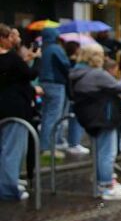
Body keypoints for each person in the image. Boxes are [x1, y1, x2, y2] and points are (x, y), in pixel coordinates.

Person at [69, 44, 121, 201]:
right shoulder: (96, 74)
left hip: (90, 117)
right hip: (103, 117)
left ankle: (104, 182)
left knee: (100, 151)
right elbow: (120, 87)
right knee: (107, 153)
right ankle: (106, 185)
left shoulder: (78, 72)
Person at [0, 25, 39, 201]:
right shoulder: (12, 59)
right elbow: (29, 74)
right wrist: (35, 59)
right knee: (13, 148)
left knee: (6, 147)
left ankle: (8, 180)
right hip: (15, 107)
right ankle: (8, 187)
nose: (11, 40)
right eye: (9, 37)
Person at [37, 26, 71, 162]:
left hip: (44, 83)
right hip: (55, 84)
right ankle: (49, 148)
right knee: (54, 117)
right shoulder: (56, 49)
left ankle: (45, 146)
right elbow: (66, 65)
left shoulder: (43, 48)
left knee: (46, 116)